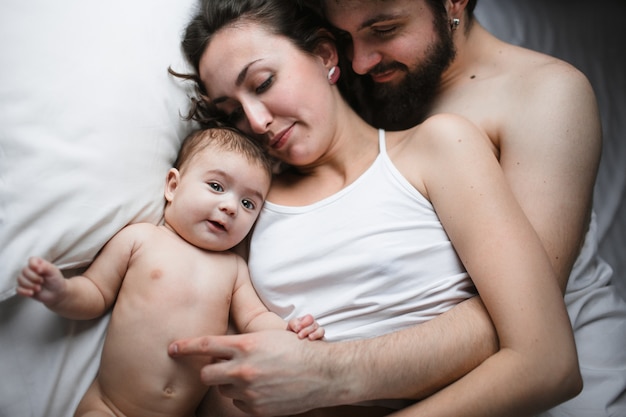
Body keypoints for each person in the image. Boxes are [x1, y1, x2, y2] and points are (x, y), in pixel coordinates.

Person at [166, 1, 583, 416]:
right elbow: (229, 365)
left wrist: (324, 372)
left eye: (263, 83)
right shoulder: (243, 209)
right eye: (232, 112)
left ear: (326, 56)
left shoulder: (439, 147)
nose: (256, 121)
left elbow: (547, 361)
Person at [16, 127, 325, 417]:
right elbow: (94, 294)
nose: (231, 206)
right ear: (173, 186)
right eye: (216, 186)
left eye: (248, 203)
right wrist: (62, 293)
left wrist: (290, 334)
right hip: (110, 408)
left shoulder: (233, 268)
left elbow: (255, 319)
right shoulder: (141, 239)